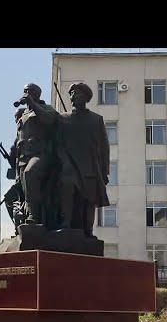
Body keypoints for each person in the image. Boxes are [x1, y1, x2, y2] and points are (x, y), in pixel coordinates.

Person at [57, 82, 110, 236]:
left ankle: (88, 230)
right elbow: (57, 144)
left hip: (90, 166)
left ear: (86, 98)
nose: (74, 96)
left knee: (88, 200)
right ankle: (66, 223)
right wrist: (65, 162)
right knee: (67, 190)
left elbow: (104, 148)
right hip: (70, 165)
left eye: (78, 93)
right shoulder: (63, 119)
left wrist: (104, 171)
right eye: (72, 93)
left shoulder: (96, 120)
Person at [14, 83, 58, 225]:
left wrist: (33, 104)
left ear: (36, 94)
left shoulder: (46, 108)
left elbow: (50, 120)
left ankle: (34, 216)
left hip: (41, 153)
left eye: (29, 91)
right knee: (24, 188)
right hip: (23, 156)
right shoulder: (23, 115)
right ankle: (27, 215)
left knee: (30, 173)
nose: (26, 93)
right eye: (25, 90)